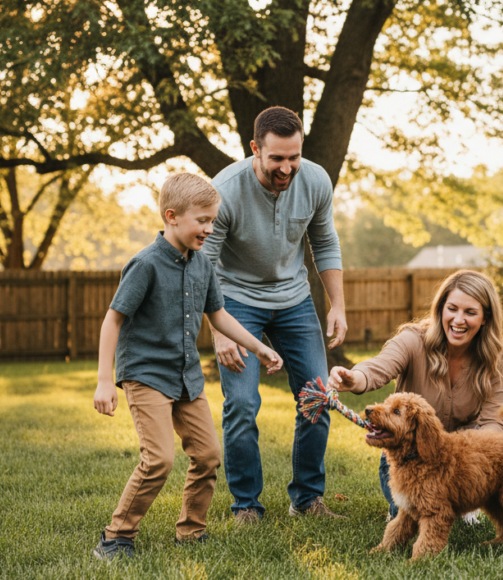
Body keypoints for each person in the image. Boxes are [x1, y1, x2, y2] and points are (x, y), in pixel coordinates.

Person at [91, 174, 283, 560]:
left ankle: (191, 532)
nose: (210, 229)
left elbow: (220, 316)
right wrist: (104, 381)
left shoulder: (203, 267)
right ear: (172, 216)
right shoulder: (145, 264)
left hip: (187, 378)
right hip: (146, 375)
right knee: (159, 458)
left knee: (208, 454)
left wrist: (259, 347)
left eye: (213, 221)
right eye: (203, 221)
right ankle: (116, 536)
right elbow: (113, 320)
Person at [202, 106, 347, 523]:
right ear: (255, 150)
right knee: (243, 403)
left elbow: (325, 242)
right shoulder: (224, 190)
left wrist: (337, 304)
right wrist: (220, 330)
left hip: (294, 300)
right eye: (277, 159)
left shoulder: (316, 180)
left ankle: (306, 499)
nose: (287, 168)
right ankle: (246, 505)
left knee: (318, 396)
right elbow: (206, 263)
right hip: (235, 301)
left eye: (294, 157)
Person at [327, 270, 503, 522]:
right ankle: (440, 502)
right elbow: (380, 366)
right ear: (440, 309)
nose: (458, 320)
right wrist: (355, 378)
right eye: (452, 308)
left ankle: (467, 496)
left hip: (459, 460)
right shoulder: (412, 340)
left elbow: (494, 419)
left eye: (470, 312)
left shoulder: (495, 355)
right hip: (410, 457)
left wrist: (465, 467)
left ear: (485, 318)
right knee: (410, 517)